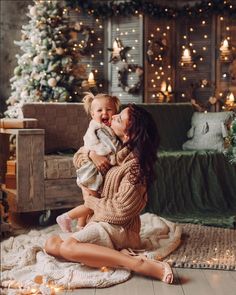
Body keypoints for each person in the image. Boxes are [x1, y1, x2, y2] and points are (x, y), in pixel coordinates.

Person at [45, 104, 174, 284]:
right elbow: (78, 156)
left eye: (119, 118)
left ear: (129, 135)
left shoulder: (136, 168)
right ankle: (112, 256)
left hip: (120, 229)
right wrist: (91, 154)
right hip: (102, 222)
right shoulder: (114, 148)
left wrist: (91, 202)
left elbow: (121, 211)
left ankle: (138, 264)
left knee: (68, 247)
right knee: (50, 244)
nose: (113, 117)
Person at [56, 92, 121, 232]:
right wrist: (96, 154)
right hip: (91, 171)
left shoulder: (112, 128)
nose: (105, 113)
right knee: (93, 203)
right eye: (99, 110)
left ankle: (81, 227)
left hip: (97, 173)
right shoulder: (95, 127)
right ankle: (66, 217)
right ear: (92, 115)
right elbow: (90, 143)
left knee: (89, 201)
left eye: (109, 109)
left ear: (115, 112)